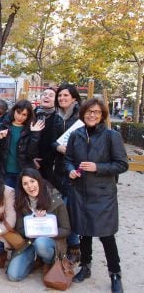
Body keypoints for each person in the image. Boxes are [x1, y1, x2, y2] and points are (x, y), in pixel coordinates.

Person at [65, 98, 128, 292]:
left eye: (96, 112)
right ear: (83, 113)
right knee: (84, 232)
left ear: (102, 115)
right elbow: (67, 159)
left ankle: (115, 273)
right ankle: (86, 266)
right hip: (79, 191)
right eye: (89, 112)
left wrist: (97, 167)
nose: (92, 115)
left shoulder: (111, 136)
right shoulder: (76, 135)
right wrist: (70, 170)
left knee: (106, 235)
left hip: (102, 194)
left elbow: (122, 164)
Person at [6, 168, 71, 282]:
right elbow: (20, 229)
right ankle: (35, 261)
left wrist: (46, 226)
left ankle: (47, 261)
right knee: (13, 275)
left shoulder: (55, 199)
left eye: (32, 181)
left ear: (39, 181)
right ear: (22, 187)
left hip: (50, 242)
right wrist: (33, 221)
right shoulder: (21, 202)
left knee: (41, 242)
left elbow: (66, 230)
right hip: (29, 242)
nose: (30, 186)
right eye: (25, 184)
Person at [51, 83, 82, 260]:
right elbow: (52, 141)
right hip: (59, 168)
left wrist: (68, 150)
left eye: (66, 96)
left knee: (71, 208)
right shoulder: (57, 118)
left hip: (74, 170)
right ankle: (64, 244)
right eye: (60, 96)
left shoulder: (80, 118)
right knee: (60, 206)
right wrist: (58, 147)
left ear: (74, 98)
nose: (62, 98)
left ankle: (75, 245)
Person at [0, 99, 44, 188]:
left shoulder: (30, 129)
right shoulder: (2, 126)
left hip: (23, 172)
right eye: (18, 112)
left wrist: (35, 134)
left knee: (20, 200)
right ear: (14, 111)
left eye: (24, 115)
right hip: (4, 172)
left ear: (28, 116)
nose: (20, 117)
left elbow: (31, 154)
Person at [33, 87, 59, 183]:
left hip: (49, 163)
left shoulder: (58, 118)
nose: (46, 97)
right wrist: (31, 157)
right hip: (29, 160)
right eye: (44, 94)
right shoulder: (31, 115)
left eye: (51, 95)